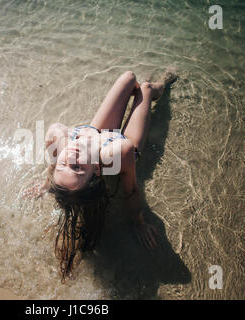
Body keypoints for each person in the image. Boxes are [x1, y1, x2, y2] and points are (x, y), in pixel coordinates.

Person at [25, 70, 177, 281]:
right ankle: (158, 88)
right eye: (77, 168)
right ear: (96, 170)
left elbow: (54, 138)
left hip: (94, 133)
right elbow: (131, 189)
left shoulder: (63, 144)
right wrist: (138, 221)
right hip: (120, 146)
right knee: (145, 90)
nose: (71, 157)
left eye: (64, 165)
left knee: (128, 77)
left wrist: (46, 184)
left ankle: (67, 174)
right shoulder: (115, 154)